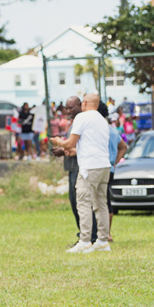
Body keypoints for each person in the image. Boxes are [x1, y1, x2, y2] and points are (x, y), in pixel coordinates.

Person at [51, 93, 111, 253]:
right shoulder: (102, 120)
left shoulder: (82, 118)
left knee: (83, 202)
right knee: (101, 203)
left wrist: (58, 142)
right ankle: (103, 240)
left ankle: (85, 240)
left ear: (84, 103)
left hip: (89, 166)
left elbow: (71, 142)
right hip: (104, 165)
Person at [105, 105, 128, 242]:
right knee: (107, 199)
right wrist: (115, 162)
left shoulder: (102, 131)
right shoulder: (113, 131)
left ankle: (105, 233)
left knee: (102, 200)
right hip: (110, 169)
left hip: (100, 168)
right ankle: (107, 232)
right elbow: (123, 146)